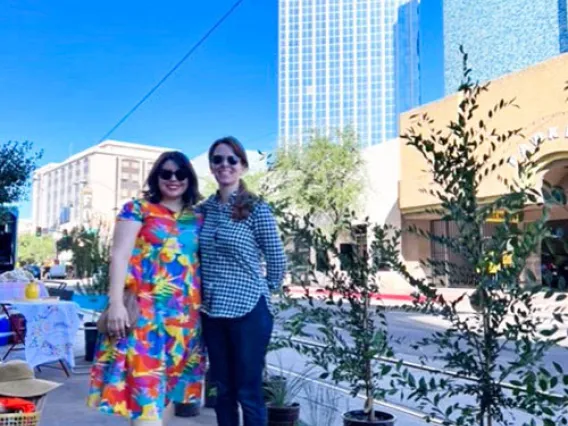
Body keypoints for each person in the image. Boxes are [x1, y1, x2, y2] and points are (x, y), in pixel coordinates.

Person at [87, 151, 205, 426]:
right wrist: (116, 303)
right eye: (166, 173)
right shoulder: (137, 209)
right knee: (145, 394)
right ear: (156, 177)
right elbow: (119, 255)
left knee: (166, 394)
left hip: (184, 320)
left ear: (190, 178)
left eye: (180, 174)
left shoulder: (197, 217)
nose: (173, 179)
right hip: (144, 316)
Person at [199, 136, 287, 426]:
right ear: (212, 167)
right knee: (222, 391)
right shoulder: (203, 211)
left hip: (249, 310)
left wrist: (263, 292)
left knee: (248, 392)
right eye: (218, 159)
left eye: (231, 160)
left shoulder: (256, 208)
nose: (224, 165)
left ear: (243, 167)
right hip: (212, 312)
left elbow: (277, 260)